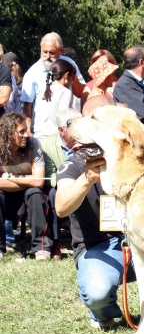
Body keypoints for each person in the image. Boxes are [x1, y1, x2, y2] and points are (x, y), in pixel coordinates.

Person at [55, 97, 137, 329]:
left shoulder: (133, 154)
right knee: (97, 292)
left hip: (143, 240)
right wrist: (88, 178)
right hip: (98, 247)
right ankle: (103, 312)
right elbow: (61, 207)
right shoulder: (74, 164)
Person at [0, 112, 51, 260]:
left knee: (35, 193)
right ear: (9, 133)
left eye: (26, 130)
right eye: (21, 131)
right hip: (5, 197)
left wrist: (10, 177)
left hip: (27, 196)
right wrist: (26, 180)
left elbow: (39, 181)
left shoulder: (33, 144)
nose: (26, 135)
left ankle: (41, 248)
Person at [21, 32, 85, 132]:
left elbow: (82, 91)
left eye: (52, 52)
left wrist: (71, 76)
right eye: (44, 52)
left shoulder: (69, 64)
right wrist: (28, 130)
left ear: (61, 50)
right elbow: (27, 105)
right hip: (44, 130)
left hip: (71, 129)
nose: (47, 56)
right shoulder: (32, 73)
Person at [41, 108, 82, 259]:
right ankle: (56, 243)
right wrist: (66, 180)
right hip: (59, 186)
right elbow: (48, 174)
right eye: (75, 128)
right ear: (61, 130)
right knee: (53, 194)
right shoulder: (46, 145)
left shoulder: (86, 141)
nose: (80, 132)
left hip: (84, 183)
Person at [32, 59, 76, 140]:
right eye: (73, 77)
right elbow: (63, 119)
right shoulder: (65, 92)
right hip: (53, 140)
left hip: (37, 138)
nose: (73, 82)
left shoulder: (42, 90)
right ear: (66, 75)